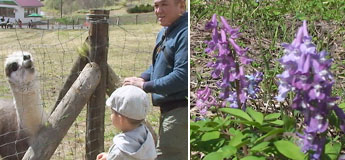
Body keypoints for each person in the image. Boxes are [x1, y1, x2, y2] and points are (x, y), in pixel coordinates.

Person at [123, 0, 188, 159]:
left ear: (181, 6)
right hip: (168, 110)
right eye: (156, 6)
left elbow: (182, 77)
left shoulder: (184, 33)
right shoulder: (165, 31)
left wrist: (146, 85)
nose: (158, 11)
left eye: (164, 5)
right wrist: (141, 78)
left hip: (180, 110)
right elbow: (158, 66)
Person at [96, 85, 157, 160]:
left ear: (120, 119)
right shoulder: (146, 137)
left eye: (112, 112)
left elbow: (120, 155)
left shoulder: (119, 151)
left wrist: (112, 157)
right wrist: (109, 156)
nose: (111, 116)